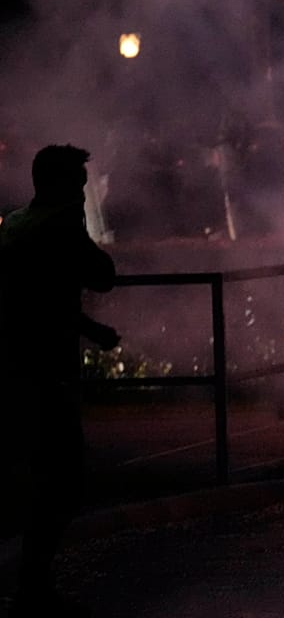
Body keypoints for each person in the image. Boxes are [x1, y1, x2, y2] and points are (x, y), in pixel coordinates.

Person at [0, 144, 120, 617]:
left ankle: (31, 583)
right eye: (76, 179)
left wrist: (91, 330)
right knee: (62, 479)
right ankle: (32, 587)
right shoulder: (61, 226)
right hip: (46, 371)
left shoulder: (14, 225)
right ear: (57, 183)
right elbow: (102, 275)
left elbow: (37, 300)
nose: (83, 188)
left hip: (12, 365)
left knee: (33, 473)